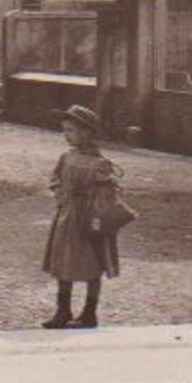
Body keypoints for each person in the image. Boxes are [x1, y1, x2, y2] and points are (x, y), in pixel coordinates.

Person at [41, 106, 127, 329]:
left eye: (71, 130)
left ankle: (89, 312)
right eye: (64, 130)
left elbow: (109, 193)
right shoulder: (66, 157)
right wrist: (60, 195)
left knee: (92, 264)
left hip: (90, 220)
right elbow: (55, 178)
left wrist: (100, 197)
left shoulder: (101, 163)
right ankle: (63, 310)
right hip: (67, 216)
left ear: (88, 132)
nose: (66, 135)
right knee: (63, 261)